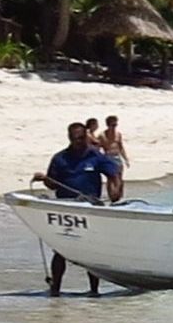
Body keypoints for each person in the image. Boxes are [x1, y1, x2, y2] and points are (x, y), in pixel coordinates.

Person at [35, 121, 121, 295]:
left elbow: (114, 171)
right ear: (69, 138)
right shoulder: (59, 158)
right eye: (75, 139)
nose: (79, 142)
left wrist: (116, 189)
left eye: (81, 138)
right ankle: (55, 289)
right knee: (60, 249)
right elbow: (52, 185)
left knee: (91, 249)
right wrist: (45, 179)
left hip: (90, 208)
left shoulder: (95, 156)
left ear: (86, 137)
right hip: (66, 208)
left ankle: (94, 291)